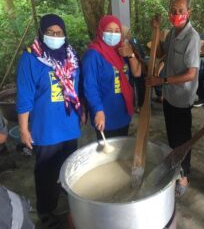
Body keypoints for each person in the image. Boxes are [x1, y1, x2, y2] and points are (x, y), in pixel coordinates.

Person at [16, 14, 82, 227]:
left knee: (70, 165)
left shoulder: (71, 56)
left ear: (65, 34)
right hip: (46, 128)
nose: (55, 36)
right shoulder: (31, 58)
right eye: (50, 33)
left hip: (70, 123)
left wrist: (82, 111)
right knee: (46, 170)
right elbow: (24, 96)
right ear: (42, 33)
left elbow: (76, 88)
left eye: (59, 33)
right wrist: (24, 129)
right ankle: (46, 208)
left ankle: (65, 193)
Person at [146, 0, 200, 196]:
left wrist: (162, 81)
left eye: (180, 11)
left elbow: (191, 73)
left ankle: (184, 177)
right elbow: (161, 52)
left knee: (182, 140)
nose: (176, 14)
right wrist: (157, 30)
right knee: (172, 137)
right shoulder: (172, 34)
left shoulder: (192, 37)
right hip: (169, 97)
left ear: (189, 12)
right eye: (173, 10)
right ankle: (175, 170)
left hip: (182, 98)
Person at [82, 15, 141, 139]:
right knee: (107, 153)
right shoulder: (93, 55)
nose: (113, 34)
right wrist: (98, 110)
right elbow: (90, 86)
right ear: (101, 31)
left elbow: (137, 73)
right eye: (109, 30)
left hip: (123, 112)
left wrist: (131, 55)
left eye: (117, 31)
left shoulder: (122, 50)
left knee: (121, 149)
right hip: (104, 114)